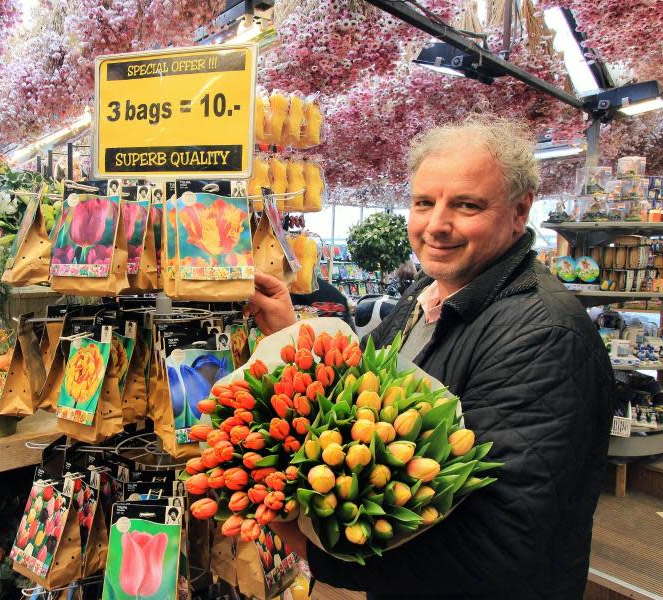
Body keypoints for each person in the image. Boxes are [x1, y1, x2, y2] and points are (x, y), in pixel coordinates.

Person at [246, 115, 614, 599]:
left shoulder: (545, 334)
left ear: (520, 211)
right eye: (424, 202)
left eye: (466, 205)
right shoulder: (429, 294)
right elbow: (363, 405)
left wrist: (310, 549)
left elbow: (495, 546)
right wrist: (291, 333)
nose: (437, 225)